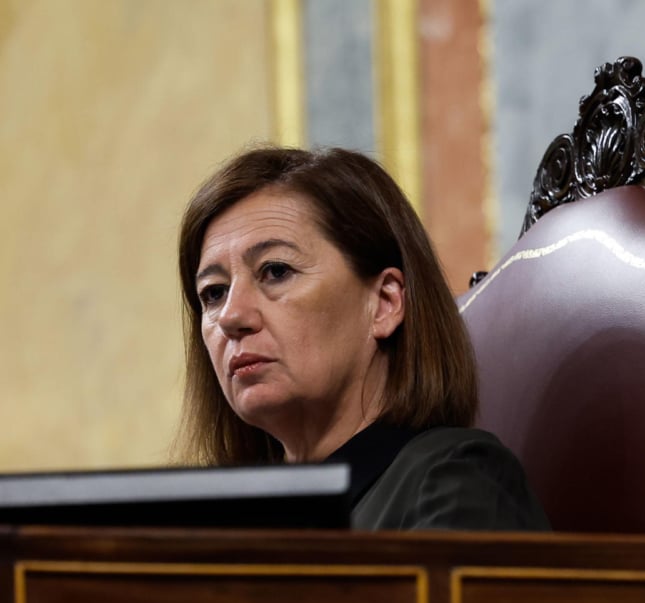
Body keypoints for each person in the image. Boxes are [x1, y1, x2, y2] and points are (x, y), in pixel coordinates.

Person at [175, 146, 549, 532]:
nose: (232, 317)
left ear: (384, 303)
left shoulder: (457, 482)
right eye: (213, 293)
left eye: (275, 270)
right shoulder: (224, 518)